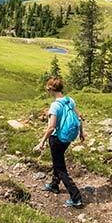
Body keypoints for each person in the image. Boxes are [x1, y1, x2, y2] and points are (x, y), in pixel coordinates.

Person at [35, 77, 84, 208]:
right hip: (67, 138)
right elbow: (79, 117)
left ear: (51, 89)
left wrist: (42, 141)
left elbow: (51, 127)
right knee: (58, 161)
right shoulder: (70, 100)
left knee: (60, 167)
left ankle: (76, 197)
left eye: (48, 89)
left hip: (57, 139)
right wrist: (81, 133)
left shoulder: (55, 105)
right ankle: (54, 185)